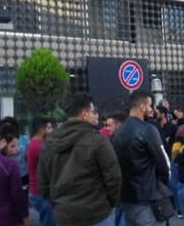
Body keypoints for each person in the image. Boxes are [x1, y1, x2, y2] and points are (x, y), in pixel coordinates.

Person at [38, 93, 122, 226]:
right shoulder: (98, 140)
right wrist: (110, 203)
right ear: (84, 113)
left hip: (65, 215)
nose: (97, 115)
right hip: (97, 214)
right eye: (94, 111)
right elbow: (114, 177)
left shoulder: (49, 142)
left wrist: (58, 204)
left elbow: (43, 183)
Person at [112, 91, 172, 226]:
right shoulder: (148, 130)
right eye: (150, 105)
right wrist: (162, 184)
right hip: (148, 198)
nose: (152, 110)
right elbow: (164, 164)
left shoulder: (119, 132)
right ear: (142, 106)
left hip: (128, 197)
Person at [26, 117, 55, 226]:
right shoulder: (39, 146)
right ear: (42, 129)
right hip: (41, 192)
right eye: (49, 128)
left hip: (37, 191)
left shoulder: (34, 144)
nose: (51, 130)